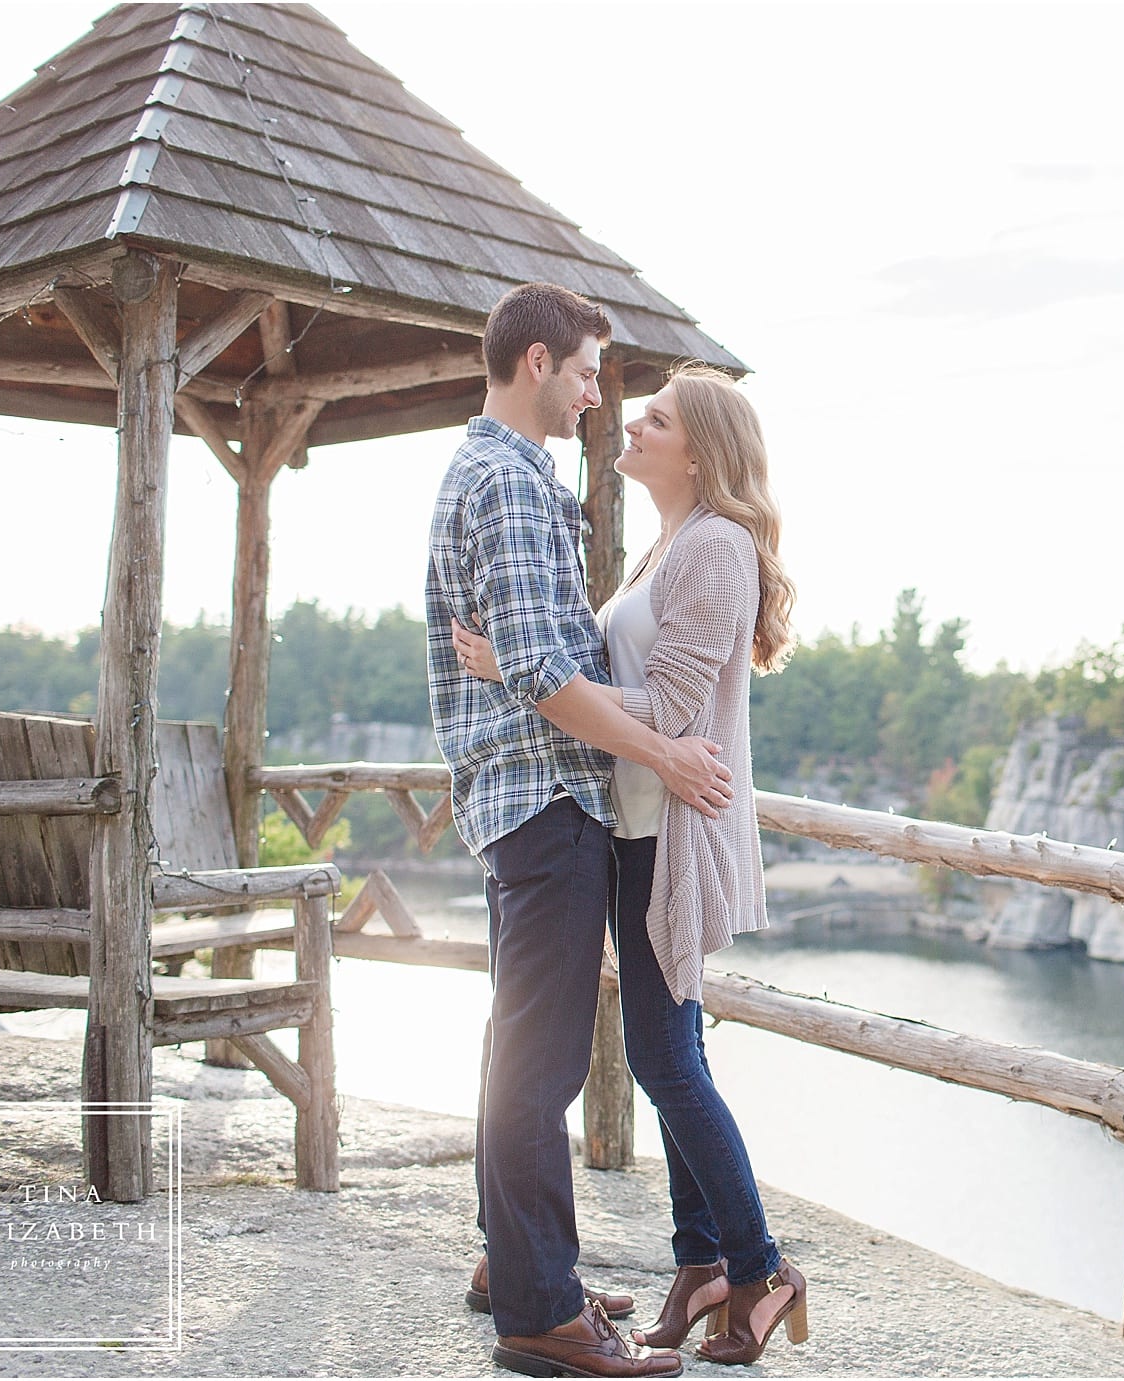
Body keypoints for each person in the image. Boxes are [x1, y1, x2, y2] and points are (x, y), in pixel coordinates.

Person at [451, 363, 809, 1366]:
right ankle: (700, 1261)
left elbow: (677, 714)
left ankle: (761, 1267)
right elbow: (625, 690)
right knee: (669, 1049)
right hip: (634, 828)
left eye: (654, 419)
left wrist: (537, 683)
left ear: (699, 449)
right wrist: (545, 678)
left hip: (671, 838)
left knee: (664, 1058)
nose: (632, 425)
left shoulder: (717, 550)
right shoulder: (666, 548)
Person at [426, 283, 734, 1380]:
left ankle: (513, 1264)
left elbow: (543, 658)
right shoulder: (509, 483)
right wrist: (666, 754)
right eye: (591, 372)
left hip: (532, 800)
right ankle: (543, 1316)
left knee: (519, 1045)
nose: (600, 397)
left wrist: (517, 664)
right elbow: (558, 676)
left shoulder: (509, 476)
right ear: (540, 361)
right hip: (548, 799)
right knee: (540, 1061)